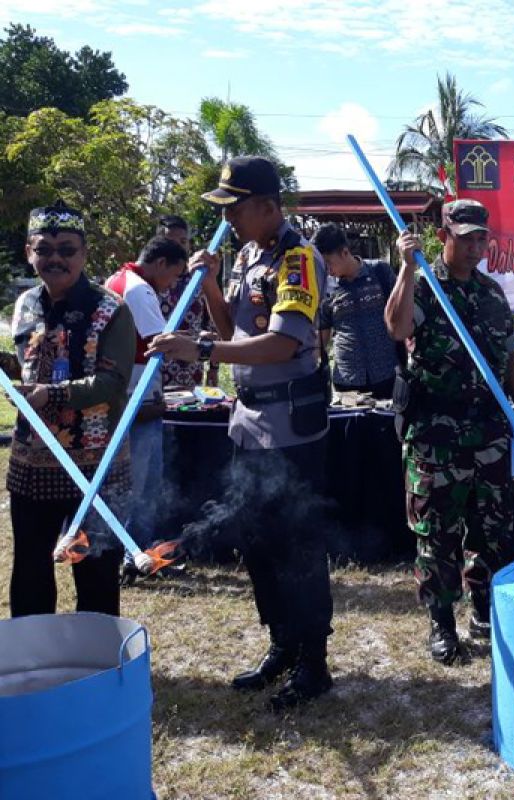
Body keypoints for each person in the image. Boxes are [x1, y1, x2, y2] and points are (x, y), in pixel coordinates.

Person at [148, 157, 334, 710]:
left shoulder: (298, 259)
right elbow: (233, 329)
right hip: (249, 422)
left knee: (298, 545)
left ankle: (313, 662)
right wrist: (207, 286)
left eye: (235, 206)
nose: (227, 217)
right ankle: (281, 642)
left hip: (292, 427)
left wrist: (199, 349)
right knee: (257, 541)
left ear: (267, 207)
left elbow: (281, 344)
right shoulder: (249, 255)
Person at [384, 199, 514, 665]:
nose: (473, 247)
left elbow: (509, 355)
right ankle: (442, 620)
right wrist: (406, 270)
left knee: (491, 525)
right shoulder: (426, 288)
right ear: (443, 236)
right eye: (464, 237)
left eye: (480, 238)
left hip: (487, 428)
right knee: (438, 530)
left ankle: (483, 606)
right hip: (436, 432)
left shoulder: (491, 292)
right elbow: (397, 327)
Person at [7, 201, 136, 617]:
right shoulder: (25, 303)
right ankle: (34, 660)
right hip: (32, 462)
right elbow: (24, 364)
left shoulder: (111, 309)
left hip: (95, 466)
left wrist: (52, 394)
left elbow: (112, 381)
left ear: (84, 254)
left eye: (67, 249)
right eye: (44, 249)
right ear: (29, 252)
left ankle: (97, 664)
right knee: (29, 567)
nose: (55, 259)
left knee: (95, 569)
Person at [105, 236, 188, 585]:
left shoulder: (117, 280)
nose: (172, 284)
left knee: (137, 483)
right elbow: (161, 343)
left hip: (129, 395)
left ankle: (138, 553)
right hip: (136, 398)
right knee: (140, 485)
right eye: (175, 275)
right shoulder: (138, 289)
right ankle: (133, 556)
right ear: (161, 263)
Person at [312, 223, 399, 399]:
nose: (327, 270)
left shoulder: (380, 272)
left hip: (387, 375)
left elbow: (402, 315)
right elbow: (321, 340)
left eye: (329, 263)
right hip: (347, 382)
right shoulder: (325, 288)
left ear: (345, 252)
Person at [156, 214, 215, 391]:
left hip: (192, 367)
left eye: (183, 241)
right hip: (158, 367)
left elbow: (211, 323)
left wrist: (214, 368)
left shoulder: (199, 278)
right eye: (171, 242)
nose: (178, 248)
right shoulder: (152, 279)